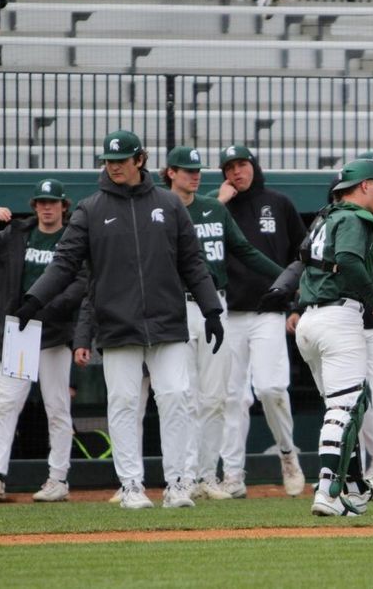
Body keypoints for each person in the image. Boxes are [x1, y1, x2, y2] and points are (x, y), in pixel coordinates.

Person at [16, 131, 223, 510]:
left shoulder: (170, 205)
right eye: (108, 161)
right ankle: (131, 485)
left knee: (176, 398)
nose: (113, 167)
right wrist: (32, 300)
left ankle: (178, 483)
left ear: (140, 160)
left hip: (168, 321)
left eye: (121, 160)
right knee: (124, 403)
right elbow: (65, 264)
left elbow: (193, 261)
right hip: (116, 324)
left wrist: (211, 309)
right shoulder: (89, 209)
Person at [162, 146, 287, 503]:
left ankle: (206, 475)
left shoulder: (214, 208)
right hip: (177, 307)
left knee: (215, 398)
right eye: (186, 170)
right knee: (183, 395)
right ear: (170, 172)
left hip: (216, 306)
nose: (194, 174)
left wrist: (287, 277)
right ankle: (183, 477)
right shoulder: (163, 209)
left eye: (197, 169)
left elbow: (245, 250)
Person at [0, 179, 87, 503]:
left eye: (53, 202)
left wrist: (46, 312)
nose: (47, 208)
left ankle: (58, 478)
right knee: (7, 405)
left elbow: (80, 284)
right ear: (34, 206)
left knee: (57, 408)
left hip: (54, 333)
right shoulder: (16, 234)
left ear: (64, 206)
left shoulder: (72, 236)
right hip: (20, 332)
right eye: (41, 202)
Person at [293, 158, 373, 516]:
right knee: (345, 407)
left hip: (311, 321)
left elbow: (344, 267)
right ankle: (326, 491)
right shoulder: (356, 217)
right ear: (364, 186)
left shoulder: (327, 217)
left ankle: (350, 487)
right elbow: (350, 264)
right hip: (339, 319)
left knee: (344, 407)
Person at [215, 144, 307, 499]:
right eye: (230, 167)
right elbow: (188, 223)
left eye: (242, 164)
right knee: (233, 397)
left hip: (270, 311)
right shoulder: (217, 207)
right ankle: (233, 475)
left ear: (253, 166)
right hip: (229, 313)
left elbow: (302, 256)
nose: (237, 172)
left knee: (271, 389)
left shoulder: (279, 203)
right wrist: (217, 201)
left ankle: (288, 454)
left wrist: (299, 303)